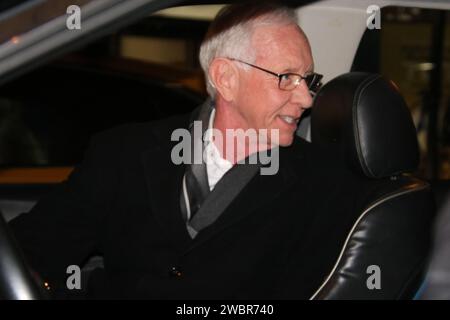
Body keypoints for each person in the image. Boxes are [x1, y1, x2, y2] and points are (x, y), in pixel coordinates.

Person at [9, 1, 351, 299]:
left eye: (308, 80)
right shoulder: (124, 152)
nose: (306, 98)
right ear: (226, 78)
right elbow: (32, 252)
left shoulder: (321, 181)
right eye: (287, 77)